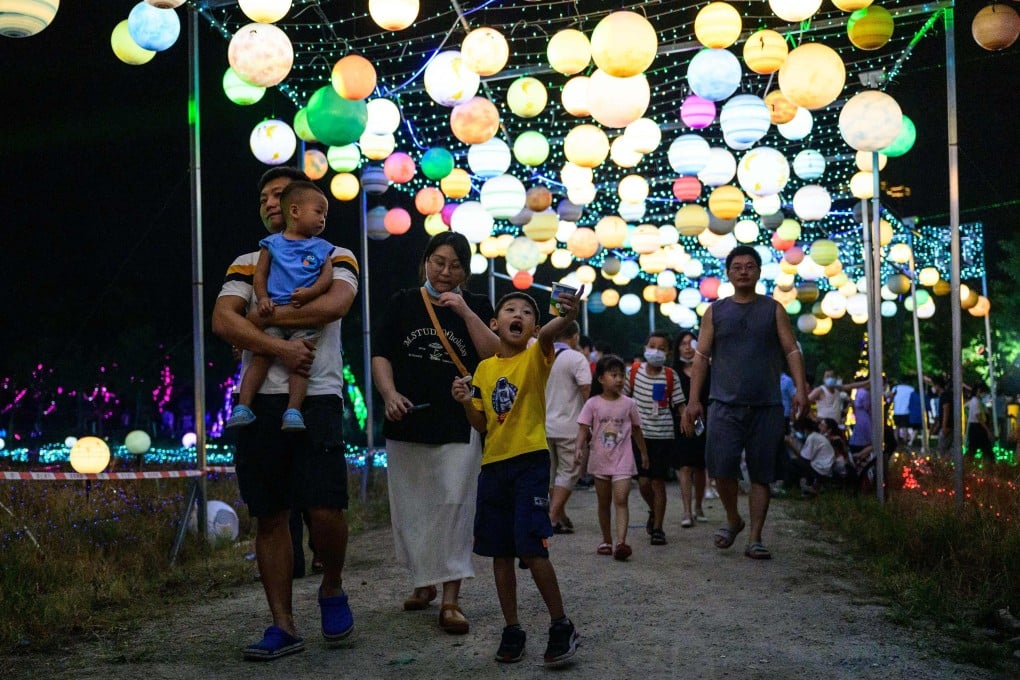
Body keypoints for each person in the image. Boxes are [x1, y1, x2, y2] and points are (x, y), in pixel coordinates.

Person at [212, 166, 359, 660]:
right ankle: (283, 624)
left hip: (317, 393)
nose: (271, 202)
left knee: (326, 509)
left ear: (301, 201)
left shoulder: (336, 254)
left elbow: (333, 306)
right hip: (260, 406)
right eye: (265, 197)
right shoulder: (247, 260)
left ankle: (332, 584)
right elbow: (221, 320)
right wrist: (277, 347)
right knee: (270, 513)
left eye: (280, 193)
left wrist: (258, 322)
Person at [370, 231, 498, 635]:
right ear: (426, 261)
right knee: (413, 508)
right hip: (407, 421)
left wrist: (465, 313)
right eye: (439, 262)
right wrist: (389, 394)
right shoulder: (402, 302)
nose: (446, 271)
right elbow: (381, 355)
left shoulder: (475, 304)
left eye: (456, 265)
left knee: (455, 505)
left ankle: (451, 600)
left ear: (466, 270)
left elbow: (495, 355)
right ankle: (422, 583)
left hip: (459, 421)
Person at [451, 289, 583, 667]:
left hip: (530, 462)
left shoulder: (536, 355)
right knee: (500, 551)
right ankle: (513, 628)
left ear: (534, 327)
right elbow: (480, 423)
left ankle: (561, 624)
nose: (518, 314)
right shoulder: (484, 369)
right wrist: (463, 401)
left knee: (530, 546)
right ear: (494, 323)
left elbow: (550, 333)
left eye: (527, 312)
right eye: (510, 309)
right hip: (492, 467)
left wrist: (568, 315)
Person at [681, 245, 808, 561]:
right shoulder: (716, 312)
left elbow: (792, 350)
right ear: (728, 273)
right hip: (723, 404)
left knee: (761, 473)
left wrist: (801, 390)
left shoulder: (773, 309)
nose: (743, 271)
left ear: (758, 272)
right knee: (721, 469)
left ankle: (755, 537)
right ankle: (733, 518)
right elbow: (701, 357)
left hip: (766, 405)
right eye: (737, 266)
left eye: (749, 266)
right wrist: (693, 400)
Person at [226, 181, 334, 432]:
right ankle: (243, 405)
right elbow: (260, 277)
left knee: (300, 362)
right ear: (295, 211)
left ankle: (293, 411)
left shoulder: (322, 247)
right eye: (318, 212)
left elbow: (326, 277)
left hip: (305, 319)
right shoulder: (271, 244)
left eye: (325, 215)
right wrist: (262, 298)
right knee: (261, 356)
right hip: (271, 310)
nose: (322, 220)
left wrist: (311, 293)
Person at [578, 354, 648, 560]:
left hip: (623, 460)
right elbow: (583, 428)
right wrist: (578, 449)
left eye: (621, 375)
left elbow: (636, 430)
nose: (619, 379)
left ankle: (621, 542)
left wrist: (643, 453)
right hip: (600, 459)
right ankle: (606, 540)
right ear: (600, 378)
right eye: (613, 375)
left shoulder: (629, 404)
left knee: (621, 499)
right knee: (603, 502)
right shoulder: (592, 404)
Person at [625, 331, 685, 546]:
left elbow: (679, 405)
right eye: (652, 346)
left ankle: (658, 528)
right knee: (643, 482)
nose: (656, 351)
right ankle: (653, 510)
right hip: (638, 436)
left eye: (661, 348)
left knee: (658, 482)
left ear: (668, 353)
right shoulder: (632, 373)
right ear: (645, 348)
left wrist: (688, 420)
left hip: (663, 435)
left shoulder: (671, 376)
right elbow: (621, 400)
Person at [545, 320, 592, 534]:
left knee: (552, 473)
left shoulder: (540, 355)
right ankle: (552, 518)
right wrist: (591, 423)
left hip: (543, 425)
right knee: (569, 472)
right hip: (569, 426)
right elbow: (585, 390)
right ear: (575, 336)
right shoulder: (576, 358)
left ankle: (560, 514)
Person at [673, 331, 709, 527]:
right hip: (680, 423)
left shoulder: (707, 369)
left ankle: (699, 506)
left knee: (701, 467)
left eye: (691, 342)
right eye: (683, 343)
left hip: (704, 423)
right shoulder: (673, 372)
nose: (687, 347)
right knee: (685, 467)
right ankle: (686, 510)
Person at [786, 416, 835, 496]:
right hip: (823, 467)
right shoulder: (816, 436)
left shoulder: (812, 437)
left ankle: (790, 488)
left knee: (792, 463)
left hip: (821, 469)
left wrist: (790, 444)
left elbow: (804, 458)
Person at [966, 382, 993, 459]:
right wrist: (987, 430)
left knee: (974, 450)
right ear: (979, 390)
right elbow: (979, 418)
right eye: (984, 392)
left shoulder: (977, 401)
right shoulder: (975, 401)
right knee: (985, 450)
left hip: (977, 428)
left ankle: (966, 465)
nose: (985, 394)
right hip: (977, 428)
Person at [890, 378, 916, 446]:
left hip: (896, 410)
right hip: (906, 411)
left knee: (896, 427)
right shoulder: (911, 389)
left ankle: (896, 442)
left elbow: (891, 398)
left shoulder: (895, 388)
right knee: (905, 427)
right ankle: (905, 442)